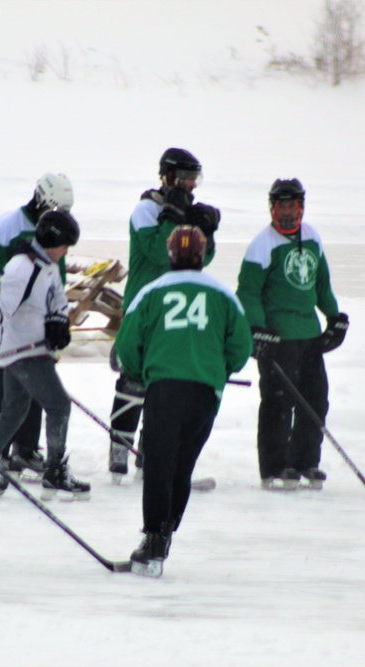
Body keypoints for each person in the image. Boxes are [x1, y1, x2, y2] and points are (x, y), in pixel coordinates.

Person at [115, 226, 252, 577]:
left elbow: (128, 345)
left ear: (170, 254)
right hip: (205, 392)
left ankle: (155, 537)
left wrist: (141, 369)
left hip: (164, 388)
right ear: (203, 255)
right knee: (181, 464)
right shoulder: (223, 294)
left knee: (159, 463)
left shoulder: (151, 290)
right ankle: (167, 530)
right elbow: (240, 348)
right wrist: (219, 369)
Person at [107, 148, 221, 482]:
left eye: (194, 178)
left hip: (173, 312)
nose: (190, 185)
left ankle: (150, 454)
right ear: (168, 176)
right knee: (133, 381)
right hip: (142, 308)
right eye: (185, 177)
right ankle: (119, 449)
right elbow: (159, 252)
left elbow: (202, 260)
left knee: (161, 386)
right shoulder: (147, 209)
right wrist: (173, 215)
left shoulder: (184, 210)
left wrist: (207, 232)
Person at [0, 209, 90, 500]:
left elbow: (58, 300)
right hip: (24, 354)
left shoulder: (46, 266)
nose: (66, 251)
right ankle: (55, 471)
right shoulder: (22, 268)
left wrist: (58, 321)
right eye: (65, 245)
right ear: (52, 241)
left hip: (32, 350)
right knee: (59, 405)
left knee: (14, 411)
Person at [236, 178, 348, 491]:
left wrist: (335, 318)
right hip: (277, 339)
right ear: (272, 207)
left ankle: (305, 461)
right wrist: (257, 329)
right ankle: (274, 467)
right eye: (280, 205)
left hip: (309, 336)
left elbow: (321, 285)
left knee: (315, 401)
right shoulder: (262, 244)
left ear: (301, 206)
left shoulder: (312, 237)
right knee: (277, 403)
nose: (286, 211)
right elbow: (248, 292)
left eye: (291, 205)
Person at [0, 173, 74, 481]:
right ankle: (4, 458)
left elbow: (55, 289)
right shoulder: (13, 236)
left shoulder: (49, 253)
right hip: (14, 339)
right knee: (19, 397)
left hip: (33, 340)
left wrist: (57, 319)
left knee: (19, 404)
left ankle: (19, 452)